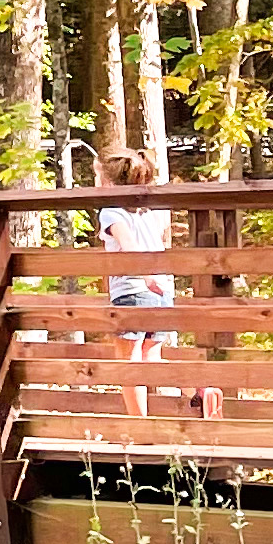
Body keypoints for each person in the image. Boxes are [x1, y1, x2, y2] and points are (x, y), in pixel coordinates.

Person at [101, 144, 175, 416]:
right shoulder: (146, 210)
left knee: (129, 361)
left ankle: (139, 424)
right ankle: (196, 388)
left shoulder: (111, 211)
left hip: (133, 290)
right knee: (151, 357)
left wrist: (146, 274)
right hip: (162, 292)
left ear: (108, 182)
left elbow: (129, 245)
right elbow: (161, 232)